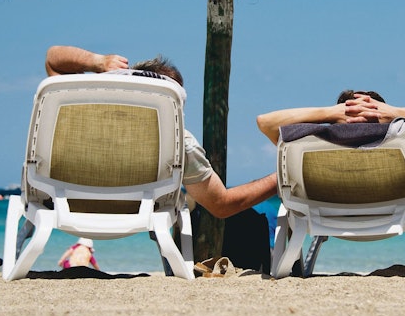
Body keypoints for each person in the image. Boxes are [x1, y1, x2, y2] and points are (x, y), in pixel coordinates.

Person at [44, 45, 278, 219]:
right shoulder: (177, 142)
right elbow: (222, 204)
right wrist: (281, 178)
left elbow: (54, 60)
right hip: (137, 217)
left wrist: (98, 62)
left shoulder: (81, 114)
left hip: (67, 207)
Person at [256, 89, 405, 155]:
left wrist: (328, 114)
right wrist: (395, 113)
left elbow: (266, 123)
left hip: (326, 214)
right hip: (396, 212)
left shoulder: (310, 146)